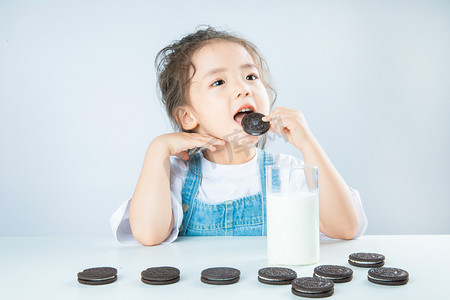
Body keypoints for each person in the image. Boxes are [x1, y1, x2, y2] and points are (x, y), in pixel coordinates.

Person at [110, 25, 367, 246]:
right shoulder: (175, 177)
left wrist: (308, 144)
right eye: (219, 82)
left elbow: (345, 228)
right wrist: (157, 152)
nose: (244, 89)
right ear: (188, 117)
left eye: (250, 76)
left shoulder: (285, 174)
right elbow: (148, 234)